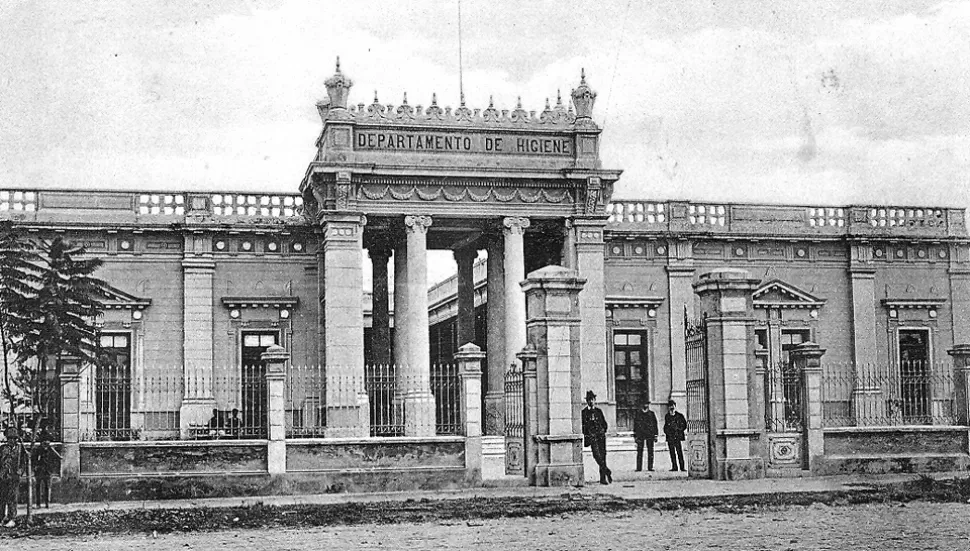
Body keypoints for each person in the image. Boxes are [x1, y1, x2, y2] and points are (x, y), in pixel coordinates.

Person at [581, 390, 612, 485]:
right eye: (589, 400)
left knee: (603, 456)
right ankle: (607, 471)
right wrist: (587, 436)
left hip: (601, 437)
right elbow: (583, 426)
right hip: (592, 437)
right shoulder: (584, 412)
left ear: (595, 400)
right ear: (587, 401)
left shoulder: (599, 411)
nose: (591, 401)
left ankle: (603, 478)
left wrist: (603, 431)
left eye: (592, 399)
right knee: (596, 455)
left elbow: (604, 424)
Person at [0, 427, 26, 527]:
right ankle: (1, 518)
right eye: (9, 438)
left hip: (14, 477)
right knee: (2, 498)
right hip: (2, 477)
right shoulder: (3, 448)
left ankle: (12, 518)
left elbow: (24, 462)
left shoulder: (20, 449)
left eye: (14, 438)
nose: (11, 440)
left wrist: (20, 471)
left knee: (12, 498)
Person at [31, 434, 60, 508]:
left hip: (47, 471)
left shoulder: (50, 450)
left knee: (47, 487)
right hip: (39, 471)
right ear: (42, 442)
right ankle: (38, 504)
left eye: (48, 442)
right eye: (45, 442)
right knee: (38, 487)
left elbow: (57, 458)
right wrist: (35, 468)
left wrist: (51, 467)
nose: (46, 444)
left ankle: (47, 503)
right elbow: (33, 459)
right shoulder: (38, 450)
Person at [633, 401, 658, 472]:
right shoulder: (638, 414)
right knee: (639, 451)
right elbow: (635, 425)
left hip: (650, 435)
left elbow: (655, 425)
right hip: (640, 435)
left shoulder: (651, 414)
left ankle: (650, 467)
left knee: (650, 451)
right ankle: (639, 467)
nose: (645, 405)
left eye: (647, 404)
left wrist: (655, 435)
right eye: (644, 404)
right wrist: (635, 436)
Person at [664, 400, 687, 472]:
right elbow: (666, 426)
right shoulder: (667, 416)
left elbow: (684, 425)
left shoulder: (680, 416)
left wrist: (679, 430)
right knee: (672, 453)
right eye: (670, 406)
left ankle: (682, 467)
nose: (671, 407)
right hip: (670, 437)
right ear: (668, 407)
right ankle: (674, 467)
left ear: (675, 406)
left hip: (677, 436)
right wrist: (667, 432)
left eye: (673, 405)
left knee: (679, 452)